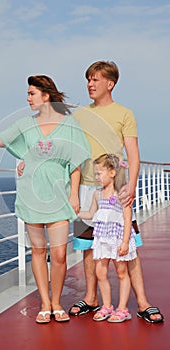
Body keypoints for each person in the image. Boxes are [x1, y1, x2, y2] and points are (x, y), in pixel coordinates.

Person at [0, 75, 91, 324]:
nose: (27, 99)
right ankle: (45, 304)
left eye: (31, 94)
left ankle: (57, 302)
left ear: (46, 96)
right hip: (30, 195)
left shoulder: (70, 126)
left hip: (58, 197)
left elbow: (76, 163)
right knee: (38, 251)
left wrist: (74, 195)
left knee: (58, 255)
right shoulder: (25, 124)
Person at [69, 60, 164, 323]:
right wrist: (74, 191)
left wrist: (131, 185)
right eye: (88, 79)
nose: (90, 83)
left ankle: (142, 302)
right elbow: (72, 152)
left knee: (130, 247)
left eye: (96, 79)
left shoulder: (125, 113)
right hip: (87, 187)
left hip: (117, 189)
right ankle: (91, 298)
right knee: (89, 247)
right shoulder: (79, 115)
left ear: (110, 84)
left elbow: (133, 154)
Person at [78, 154, 137, 322]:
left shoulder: (122, 193)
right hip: (102, 238)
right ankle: (107, 306)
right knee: (100, 271)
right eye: (95, 174)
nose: (97, 177)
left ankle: (123, 309)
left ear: (112, 172)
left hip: (118, 238)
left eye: (99, 173)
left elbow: (127, 218)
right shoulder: (97, 194)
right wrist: (74, 212)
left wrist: (125, 241)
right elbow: (90, 214)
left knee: (121, 271)